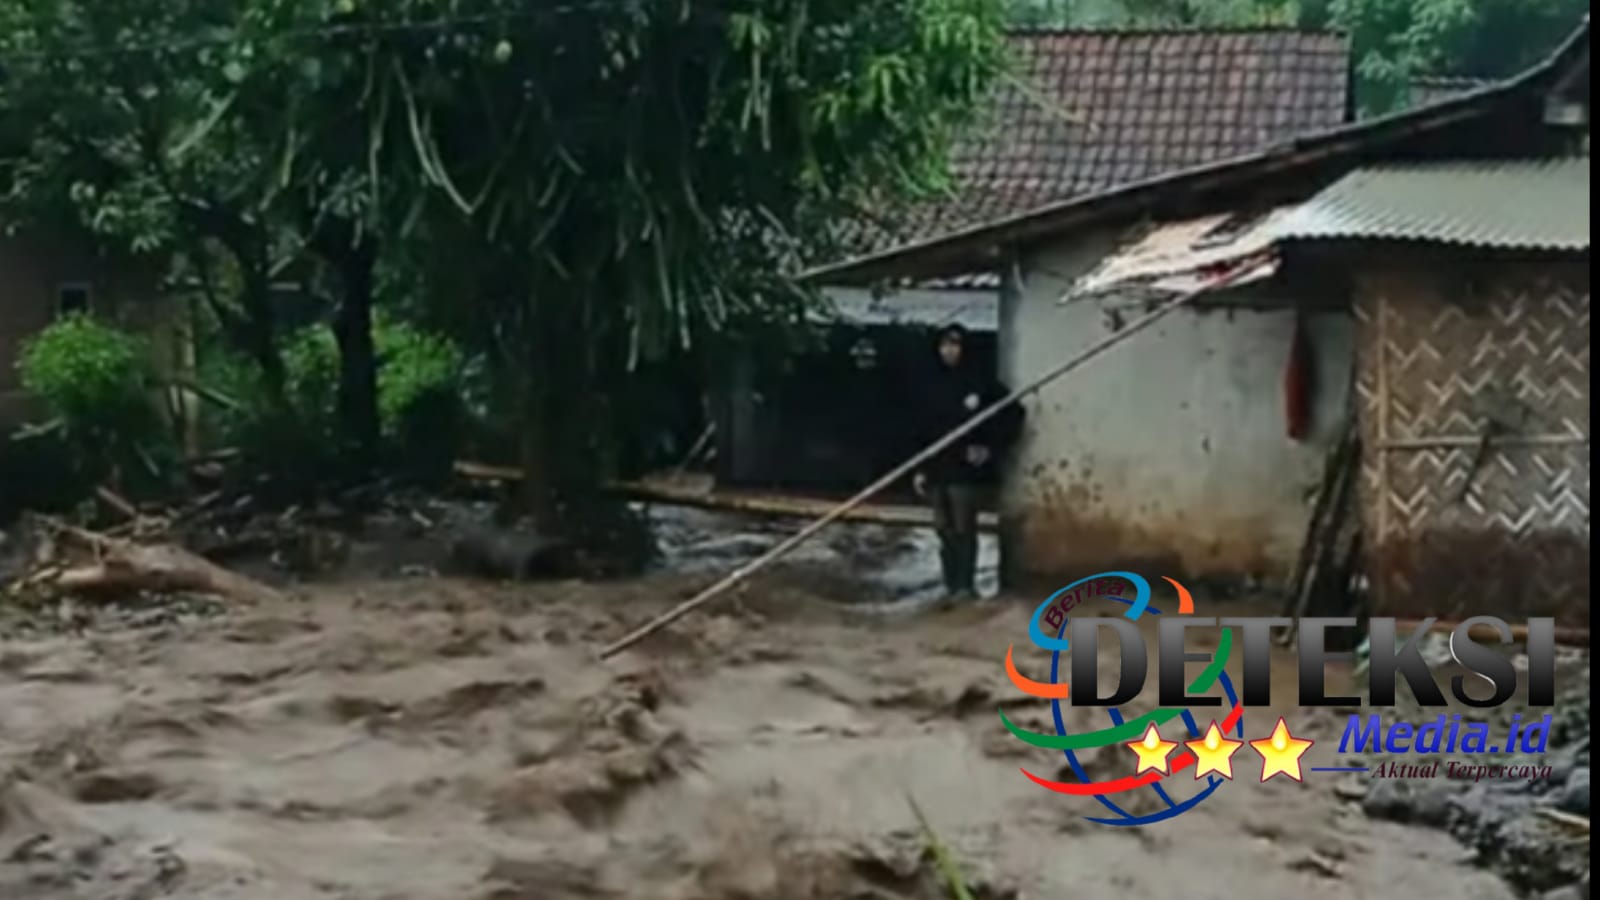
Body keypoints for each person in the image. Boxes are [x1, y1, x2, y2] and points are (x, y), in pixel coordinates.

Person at [912, 323, 1024, 601]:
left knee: (964, 528)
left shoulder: (981, 383)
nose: (949, 351)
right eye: (944, 345)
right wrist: (920, 469)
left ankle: (965, 585)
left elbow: (1014, 414)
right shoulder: (930, 383)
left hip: (965, 471)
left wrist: (989, 448)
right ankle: (950, 584)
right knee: (943, 529)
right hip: (937, 468)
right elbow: (920, 429)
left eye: (955, 345)